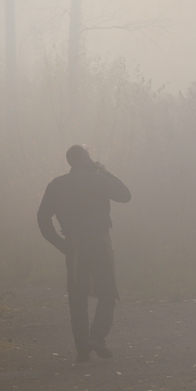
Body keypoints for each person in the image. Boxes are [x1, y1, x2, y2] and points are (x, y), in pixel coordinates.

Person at [37, 145, 131, 362]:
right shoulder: (98, 180)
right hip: (99, 244)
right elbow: (125, 195)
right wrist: (103, 170)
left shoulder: (57, 185)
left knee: (77, 298)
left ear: (70, 161)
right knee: (107, 293)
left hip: (74, 247)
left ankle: (82, 349)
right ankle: (97, 336)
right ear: (86, 159)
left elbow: (42, 218)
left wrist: (60, 244)